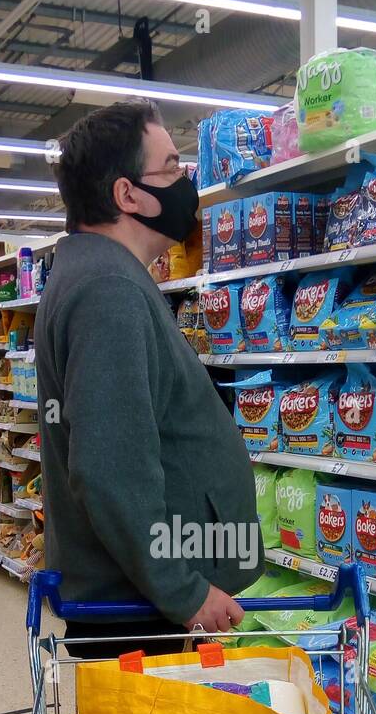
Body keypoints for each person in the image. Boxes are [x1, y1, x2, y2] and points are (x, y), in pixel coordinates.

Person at [35, 100, 260, 658]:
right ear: (127, 194)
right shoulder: (109, 291)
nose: (186, 183)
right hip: (138, 615)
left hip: (138, 601)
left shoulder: (100, 275)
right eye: (172, 167)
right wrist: (184, 593)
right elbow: (110, 467)